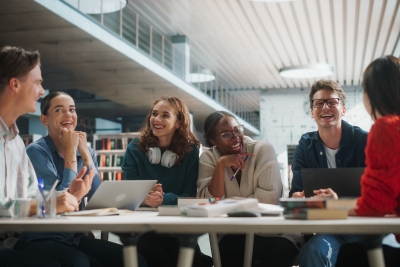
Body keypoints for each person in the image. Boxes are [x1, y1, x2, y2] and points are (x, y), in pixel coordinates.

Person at [18, 91, 148, 267]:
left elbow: (97, 195)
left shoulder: (85, 150)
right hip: (44, 237)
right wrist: (71, 152)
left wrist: (86, 153)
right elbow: (59, 202)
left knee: (134, 259)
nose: (68, 115)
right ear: (44, 120)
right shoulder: (36, 151)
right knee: (82, 263)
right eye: (59, 110)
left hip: (75, 236)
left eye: (72, 110)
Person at [0, 46, 87, 266]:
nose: (41, 91)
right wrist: (47, 205)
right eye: (38, 83)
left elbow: (32, 196)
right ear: (15, 85)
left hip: (11, 241)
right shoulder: (33, 149)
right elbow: (32, 205)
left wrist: (67, 196)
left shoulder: (16, 143)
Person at [314, 55, 400, 267]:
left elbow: (374, 206)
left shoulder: (387, 128)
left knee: (348, 257)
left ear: (373, 94)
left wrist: (333, 207)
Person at [197, 111, 303, 267]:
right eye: (226, 134)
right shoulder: (209, 158)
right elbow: (208, 203)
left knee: (273, 252)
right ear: (213, 141)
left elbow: (268, 202)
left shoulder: (262, 150)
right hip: (231, 233)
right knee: (230, 252)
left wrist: (228, 204)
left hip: (271, 231)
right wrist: (220, 165)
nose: (235, 137)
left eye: (237, 129)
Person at [122, 96, 212, 267]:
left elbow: (189, 195)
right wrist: (145, 197)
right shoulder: (135, 148)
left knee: (193, 260)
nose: (156, 119)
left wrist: (164, 199)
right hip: (144, 225)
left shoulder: (190, 151)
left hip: (176, 223)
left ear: (178, 123)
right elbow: (129, 192)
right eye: (154, 114)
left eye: (165, 115)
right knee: (158, 259)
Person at [289, 79, 369, 267]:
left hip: (365, 226)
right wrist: (300, 197)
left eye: (332, 102)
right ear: (312, 112)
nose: (325, 107)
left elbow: (377, 195)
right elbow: (295, 194)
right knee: (313, 252)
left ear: (343, 109)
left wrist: (337, 202)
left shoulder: (364, 140)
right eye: (319, 103)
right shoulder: (305, 144)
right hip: (331, 229)